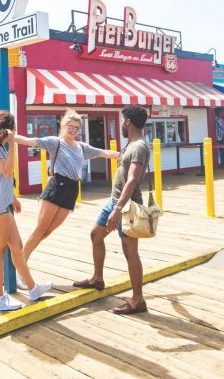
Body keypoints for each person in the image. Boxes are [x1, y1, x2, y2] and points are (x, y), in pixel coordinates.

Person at [11, 110, 120, 283]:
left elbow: (104, 153)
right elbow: (28, 141)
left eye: (77, 127)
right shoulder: (55, 143)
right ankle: (19, 270)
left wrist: (122, 155)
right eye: (71, 126)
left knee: (46, 232)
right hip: (57, 186)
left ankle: (20, 265)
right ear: (63, 126)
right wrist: (9, 135)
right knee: (39, 230)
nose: (74, 130)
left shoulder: (82, 147)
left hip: (71, 191)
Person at [73, 105, 152, 314]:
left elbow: (133, 179)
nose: (121, 124)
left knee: (130, 253)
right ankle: (97, 278)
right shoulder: (131, 145)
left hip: (128, 206)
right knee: (96, 235)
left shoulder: (139, 147)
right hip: (115, 201)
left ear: (128, 122)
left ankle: (138, 300)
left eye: (122, 120)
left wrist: (118, 209)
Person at [0, 111, 53, 311]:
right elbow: (7, 172)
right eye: (12, 129)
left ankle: (33, 288)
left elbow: (3, 180)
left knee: (17, 248)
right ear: (4, 130)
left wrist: (12, 197)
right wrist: (13, 146)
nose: (14, 132)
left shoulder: (0, 147)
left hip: (4, 203)